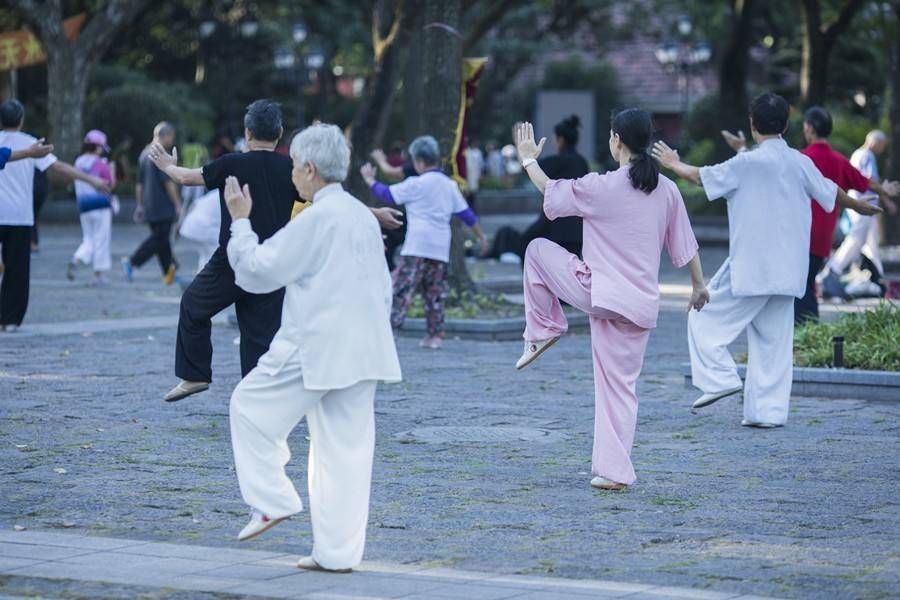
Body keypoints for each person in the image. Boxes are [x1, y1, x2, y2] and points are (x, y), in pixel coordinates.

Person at [224, 123, 401, 573]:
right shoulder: (362, 215)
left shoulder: (320, 217)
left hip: (316, 343)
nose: (292, 178)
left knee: (249, 406)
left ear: (309, 168)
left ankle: (272, 499)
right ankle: (337, 553)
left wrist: (241, 222)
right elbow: (384, 288)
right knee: (344, 452)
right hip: (364, 347)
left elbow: (259, 271)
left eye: (294, 168)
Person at [653, 92, 882, 428]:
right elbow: (831, 191)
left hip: (751, 267)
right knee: (773, 343)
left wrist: (673, 163)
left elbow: (701, 177)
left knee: (703, 318)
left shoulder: (746, 163)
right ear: (787, 125)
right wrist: (859, 206)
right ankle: (767, 413)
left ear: (752, 124)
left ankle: (719, 379)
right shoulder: (800, 162)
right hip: (790, 270)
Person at [513, 112, 707, 491]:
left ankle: (544, 327)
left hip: (599, 293)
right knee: (620, 388)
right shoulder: (667, 189)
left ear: (616, 140)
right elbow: (686, 246)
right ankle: (615, 473)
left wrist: (527, 159)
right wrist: (698, 287)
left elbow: (550, 191)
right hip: (639, 305)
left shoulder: (603, 186)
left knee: (536, 250)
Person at [361, 135, 488, 349]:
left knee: (401, 290)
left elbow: (388, 195)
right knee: (435, 293)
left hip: (417, 246)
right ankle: (435, 336)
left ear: (419, 161)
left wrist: (370, 180)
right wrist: (481, 237)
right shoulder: (449, 185)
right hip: (439, 247)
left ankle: (389, 332)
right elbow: (467, 215)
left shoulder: (415, 184)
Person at [0, 99, 110, 332]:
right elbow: (59, 167)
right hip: (19, 216)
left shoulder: (25, 146)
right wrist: (93, 180)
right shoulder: (31, 145)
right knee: (16, 269)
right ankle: (9, 319)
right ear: (21, 120)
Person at [789, 107, 897, 322]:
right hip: (823, 235)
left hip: (799, 233)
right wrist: (884, 191)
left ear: (809, 128)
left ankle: (806, 330)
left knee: (800, 287)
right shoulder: (838, 160)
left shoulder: (801, 159)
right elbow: (863, 181)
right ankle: (807, 330)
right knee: (807, 283)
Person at [488, 115, 590, 262]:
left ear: (560, 140)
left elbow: (529, 167)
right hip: (578, 230)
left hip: (555, 226)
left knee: (526, 246)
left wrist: (522, 150)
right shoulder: (582, 162)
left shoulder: (558, 161)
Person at [824, 130, 898, 297]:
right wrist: (887, 198)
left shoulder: (858, 154)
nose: (882, 149)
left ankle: (879, 279)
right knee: (856, 241)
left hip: (863, 206)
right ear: (875, 142)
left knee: (872, 244)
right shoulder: (866, 155)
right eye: (882, 145)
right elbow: (869, 181)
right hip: (863, 206)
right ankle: (833, 270)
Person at [122, 122, 183, 286]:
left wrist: (140, 204)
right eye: (172, 137)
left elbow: (139, 184)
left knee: (162, 240)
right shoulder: (160, 152)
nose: (172, 141)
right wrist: (178, 204)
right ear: (166, 135)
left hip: (150, 205)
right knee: (159, 239)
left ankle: (169, 272)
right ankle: (132, 262)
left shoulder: (144, 153)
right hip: (163, 206)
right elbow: (168, 183)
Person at [67, 130, 117, 285]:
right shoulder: (100, 163)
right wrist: (112, 169)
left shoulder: (78, 162)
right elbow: (110, 184)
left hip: (84, 206)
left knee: (88, 238)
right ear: (97, 147)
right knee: (101, 239)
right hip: (100, 206)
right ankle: (99, 275)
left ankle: (77, 258)